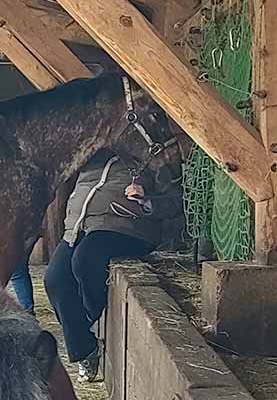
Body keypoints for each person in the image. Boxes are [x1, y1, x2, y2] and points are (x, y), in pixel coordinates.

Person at [43, 149, 178, 381]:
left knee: (85, 260)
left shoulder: (154, 159)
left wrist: (148, 200)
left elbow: (175, 201)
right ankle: (85, 350)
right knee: (54, 279)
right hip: (79, 228)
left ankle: (87, 318)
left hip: (127, 229)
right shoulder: (92, 155)